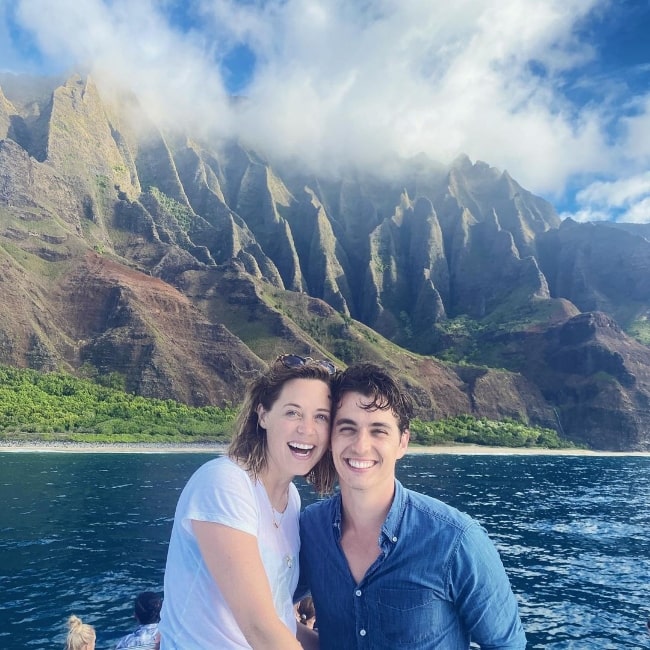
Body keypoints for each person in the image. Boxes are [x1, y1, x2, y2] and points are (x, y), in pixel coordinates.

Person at [298, 362, 527, 649]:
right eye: (347, 428)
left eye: (379, 431)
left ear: (402, 442)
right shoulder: (310, 529)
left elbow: (507, 645)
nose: (360, 445)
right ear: (330, 438)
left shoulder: (456, 541)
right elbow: (269, 600)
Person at [158, 354, 336, 649]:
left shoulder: (290, 499)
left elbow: (280, 620)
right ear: (263, 414)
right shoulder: (225, 482)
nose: (307, 428)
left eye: (321, 416)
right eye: (293, 412)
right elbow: (259, 626)